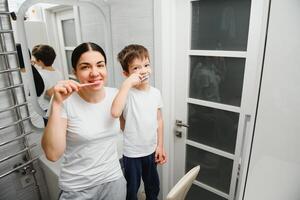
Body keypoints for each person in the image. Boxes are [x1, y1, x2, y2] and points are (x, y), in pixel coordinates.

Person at [41, 42, 126, 200]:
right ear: (75, 72)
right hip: (77, 188)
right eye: (85, 67)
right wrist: (57, 104)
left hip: (114, 181)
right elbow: (52, 154)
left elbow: (127, 128)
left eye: (100, 65)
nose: (95, 73)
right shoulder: (64, 101)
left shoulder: (116, 96)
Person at [111, 44, 167, 200]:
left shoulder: (156, 93)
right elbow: (117, 115)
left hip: (151, 150)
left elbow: (159, 120)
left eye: (146, 65)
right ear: (126, 73)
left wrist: (160, 146)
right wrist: (126, 85)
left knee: (153, 186)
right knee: (131, 189)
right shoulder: (125, 94)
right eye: (136, 68)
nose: (143, 70)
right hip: (132, 153)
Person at [31, 44, 63, 126]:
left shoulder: (40, 75)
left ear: (40, 61)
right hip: (56, 108)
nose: (33, 59)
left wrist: (32, 66)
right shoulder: (58, 72)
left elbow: (49, 93)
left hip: (45, 110)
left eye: (34, 58)